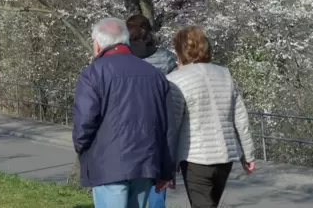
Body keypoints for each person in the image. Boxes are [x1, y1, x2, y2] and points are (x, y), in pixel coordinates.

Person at [73, 17, 175, 208]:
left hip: (108, 163)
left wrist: (82, 147)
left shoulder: (93, 74)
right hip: (145, 162)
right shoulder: (154, 75)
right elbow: (167, 125)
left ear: (98, 44)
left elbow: (84, 122)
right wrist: (166, 170)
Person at [167, 26, 255, 208]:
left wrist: (167, 166)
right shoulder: (225, 74)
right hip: (225, 156)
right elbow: (240, 118)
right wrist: (248, 155)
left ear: (179, 50)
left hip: (196, 157)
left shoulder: (175, 79)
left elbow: (172, 126)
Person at [126, 14, 177, 208]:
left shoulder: (123, 57)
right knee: (158, 182)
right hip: (156, 124)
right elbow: (172, 91)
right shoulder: (164, 58)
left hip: (128, 122)